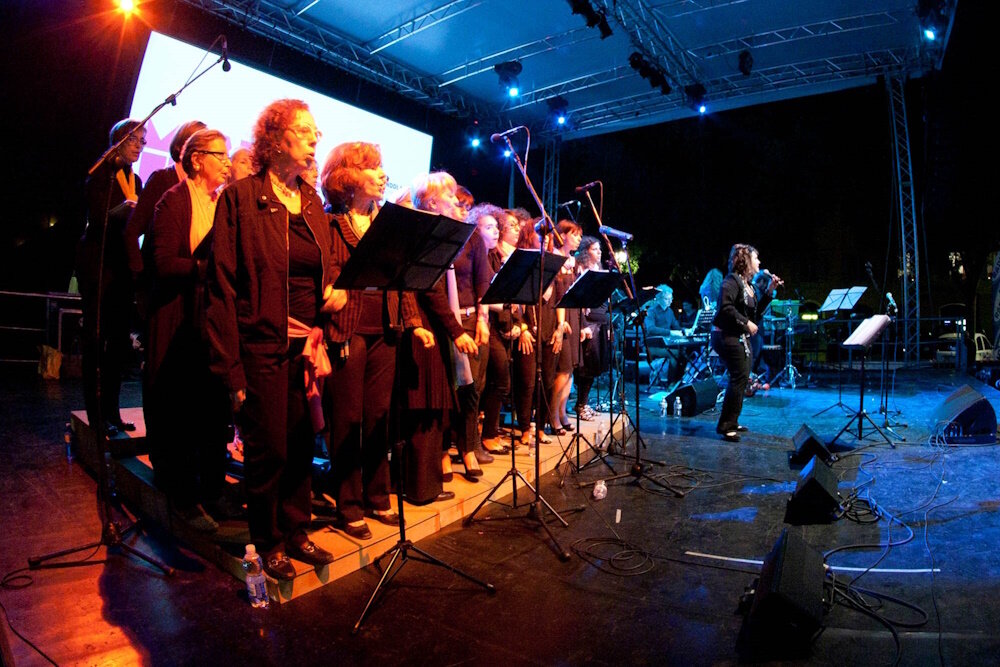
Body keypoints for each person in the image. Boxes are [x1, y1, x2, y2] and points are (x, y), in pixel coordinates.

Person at [206, 99, 338, 580]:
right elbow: (221, 286)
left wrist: (333, 290)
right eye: (304, 130)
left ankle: (297, 529)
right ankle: (269, 539)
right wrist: (229, 367)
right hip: (260, 342)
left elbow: (322, 268)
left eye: (316, 131)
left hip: (307, 344)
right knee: (270, 449)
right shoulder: (240, 198)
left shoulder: (313, 203)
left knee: (301, 444)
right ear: (276, 140)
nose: (314, 138)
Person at [319, 141, 427, 539]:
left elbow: (404, 279)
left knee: (379, 415)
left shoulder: (388, 222)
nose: (383, 175)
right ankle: (348, 504)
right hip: (347, 325)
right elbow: (328, 272)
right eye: (373, 168)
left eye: (382, 167)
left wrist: (414, 322)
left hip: (386, 325)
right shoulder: (330, 222)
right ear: (349, 176)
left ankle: (377, 495)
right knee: (348, 418)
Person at [144, 129, 232, 531]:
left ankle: (213, 491)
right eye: (220, 155)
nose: (227, 163)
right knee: (178, 408)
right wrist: (206, 268)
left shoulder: (222, 202)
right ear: (197, 159)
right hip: (178, 317)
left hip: (211, 320)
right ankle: (181, 495)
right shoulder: (174, 200)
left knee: (212, 408)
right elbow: (163, 263)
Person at [400, 172, 479, 501]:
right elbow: (431, 290)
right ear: (432, 202)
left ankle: (425, 485)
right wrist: (457, 332)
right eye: (448, 196)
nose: (454, 201)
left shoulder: (430, 232)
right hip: (423, 327)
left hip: (430, 326)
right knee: (426, 406)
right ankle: (422, 489)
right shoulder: (426, 233)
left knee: (432, 407)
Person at [77, 118, 145, 436]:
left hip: (121, 269)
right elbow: (97, 219)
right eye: (134, 139)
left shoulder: (136, 179)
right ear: (118, 140)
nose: (140, 146)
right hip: (98, 266)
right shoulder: (100, 175)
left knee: (118, 343)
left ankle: (113, 414)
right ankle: (95, 416)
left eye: (144, 141)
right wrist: (122, 210)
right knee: (96, 342)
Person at [711, 244, 781, 442]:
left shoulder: (748, 285)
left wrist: (770, 292)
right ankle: (726, 426)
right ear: (745, 261)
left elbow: (755, 315)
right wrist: (745, 322)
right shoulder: (731, 281)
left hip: (737, 335)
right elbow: (725, 308)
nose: (759, 262)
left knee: (741, 378)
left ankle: (731, 421)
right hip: (726, 336)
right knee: (739, 377)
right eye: (756, 258)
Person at [125, 120, 206, 287]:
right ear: (182, 147)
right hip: (155, 282)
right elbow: (133, 229)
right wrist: (138, 272)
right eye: (201, 147)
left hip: (183, 283)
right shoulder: (162, 179)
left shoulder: (200, 188)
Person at [481, 208, 522, 450]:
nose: (496, 232)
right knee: (498, 380)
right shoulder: (487, 257)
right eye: (491, 228)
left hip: (501, 324)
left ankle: (491, 432)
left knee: (499, 381)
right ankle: (487, 434)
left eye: (497, 227)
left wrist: (516, 322)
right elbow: (486, 294)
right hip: (490, 324)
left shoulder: (496, 256)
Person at [546, 220, 581, 434]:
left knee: (570, 370)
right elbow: (557, 294)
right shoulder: (554, 258)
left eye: (579, 235)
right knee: (563, 369)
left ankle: (562, 411)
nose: (578, 239)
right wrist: (561, 322)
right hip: (559, 316)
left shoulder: (572, 261)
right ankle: (552, 415)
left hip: (572, 316)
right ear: (563, 235)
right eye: (574, 234)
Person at [571, 236, 609, 421]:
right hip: (588, 322)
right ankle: (580, 404)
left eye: (600, 249)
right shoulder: (581, 270)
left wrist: (607, 325)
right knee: (586, 367)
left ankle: (584, 403)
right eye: (595, 249)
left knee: (594, 366)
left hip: (600, 321)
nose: (599, 252)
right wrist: (583, 325)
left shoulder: (599, 269)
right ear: (586, 252)